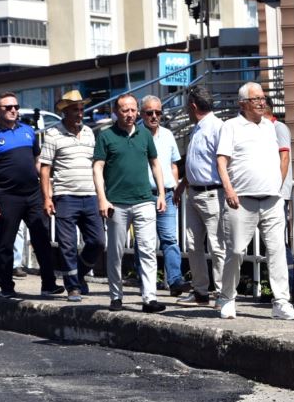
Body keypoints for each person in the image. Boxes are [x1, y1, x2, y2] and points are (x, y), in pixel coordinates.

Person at [215, 82, 294, 321]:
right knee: (236, 250)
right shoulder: (231, 126)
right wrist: (229, 190)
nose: (262, 103)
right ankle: (227, 297)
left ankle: (281, 302)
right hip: (241, 199)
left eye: (263, 98)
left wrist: (276, 184)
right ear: (243, 103)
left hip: (272, 199)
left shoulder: (269, 127)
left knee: (276, 251)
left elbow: (280, 158)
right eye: (256, 99)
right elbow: (222, 161)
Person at [0, 93, 62, 298]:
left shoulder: (28, 131)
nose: (13, 110)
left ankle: (48, 283)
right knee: (6, 242)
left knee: (41, 238)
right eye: (8, 107)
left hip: (32, 194)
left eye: (15, 106)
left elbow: (37, 160)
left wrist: (45, 191)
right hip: (8, 196)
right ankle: (6, 286)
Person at [93, 93, 167, 313]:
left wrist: (161, 193)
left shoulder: (145, 135)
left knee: (147, 250)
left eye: (133, 110)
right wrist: (102, 198)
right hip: (117, 202)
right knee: (116, 252)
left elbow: (155, 164)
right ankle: (116, 296)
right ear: (116, 112)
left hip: (144, 200)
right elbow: (97, 168)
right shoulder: (106, 136)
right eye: (125, 110)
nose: (130, 114)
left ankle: (149, 298)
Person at [40, 90, 104, 302]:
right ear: (65, 112)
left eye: (81, 109)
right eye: (75, 110)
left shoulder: (89, 132)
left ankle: (79, 273)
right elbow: (45, 168)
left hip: (90, 195)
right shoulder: (53, 134)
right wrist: (47, 198)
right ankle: (73, 286)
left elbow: (96, 164)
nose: (79, 114)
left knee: (97, 242)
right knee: (67, 245)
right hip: (65, 196)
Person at [173, 86, 226, 306]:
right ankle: (201, 291)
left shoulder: (217, 127)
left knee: (217, 246)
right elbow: (196, 164)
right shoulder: (197, 128)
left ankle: (224, 294)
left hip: (213, 193)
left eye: (187, 106)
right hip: (193, 192)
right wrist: (182, 185)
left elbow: (223, 162)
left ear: (193, 106)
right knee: (193, 244)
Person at [136, 95, 191, 297]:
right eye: (149, 112)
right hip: (143, 195)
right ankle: (145, 283)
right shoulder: (135, 134)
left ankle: (175, 280)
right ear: (142, 114)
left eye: (158, 112)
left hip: (167, 194)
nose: (154, 116)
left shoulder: (168, 135)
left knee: (169, 238)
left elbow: (174, 164)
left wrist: (176, 187)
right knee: (144, 242)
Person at [263, 100, 294, 304]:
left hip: (278, 194)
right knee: (274, 244)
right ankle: (284, 287)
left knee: (279, 243)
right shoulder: (265, 130)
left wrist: (276, 187)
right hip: (269, 192)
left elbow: (284, 159)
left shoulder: (278, 128)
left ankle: (289, 288)